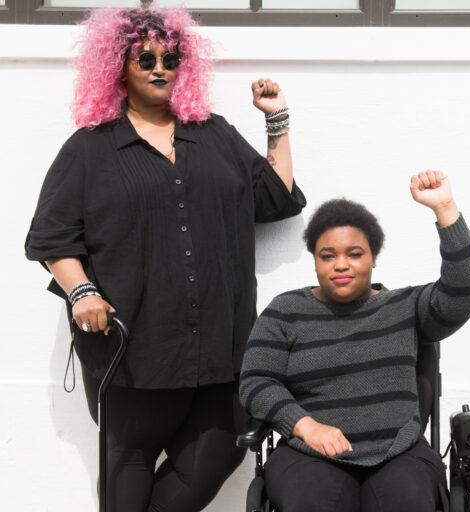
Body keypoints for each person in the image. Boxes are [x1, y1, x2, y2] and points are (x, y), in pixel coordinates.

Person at [24, 5, 305, 512]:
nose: (160, 68)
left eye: (171, 58)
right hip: (132, 348)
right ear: (117, 66)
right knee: (127, 464)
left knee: (220, 452)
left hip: (220, 345)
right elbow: (52, 236)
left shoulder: (215, 134)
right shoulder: (90, 149)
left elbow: (275, 198)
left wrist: (276, 120)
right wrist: (81, 291)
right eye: (145, 58)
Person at [239, 170, 470, 512]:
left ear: (373, 258)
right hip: (309, 453)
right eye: (327, 255)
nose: (341, 265)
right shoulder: (286, 311)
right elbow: (256, 381)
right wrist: (305, 426)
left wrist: (444, 209)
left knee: (407, 501)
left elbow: (466, 289)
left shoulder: (405, 307)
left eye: (354, 254)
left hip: (398, 451)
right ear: (315, 261)